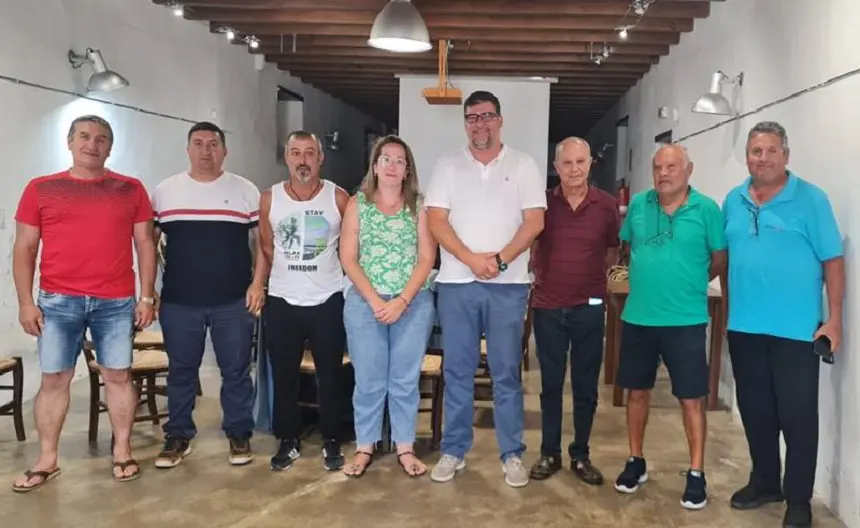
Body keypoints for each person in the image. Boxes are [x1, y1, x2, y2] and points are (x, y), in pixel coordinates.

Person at [11, 115, 156, 491]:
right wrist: (26, 302)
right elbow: (25, 248)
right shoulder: (41, 189)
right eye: (85, 137)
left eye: (101, 139)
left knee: (118, 376)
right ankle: (47, 460)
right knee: (55, 378)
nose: (92, 144)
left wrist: (146, 295)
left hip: (115, 301)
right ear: (70, 141)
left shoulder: (130, 189)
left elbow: (145, 244)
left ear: (111, 147)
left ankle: (122, 451)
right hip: (58, 301)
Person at [723, 122, 844, 528]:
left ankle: (798, 500)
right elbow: (726, 259)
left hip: (796, 331)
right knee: (755, 412)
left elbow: (833, 261)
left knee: (797, 417)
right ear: (747, 157)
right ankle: (764, 482)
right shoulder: (734, 200)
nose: (763, 158)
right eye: (756, 151)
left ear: (786, 155)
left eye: (771, 150)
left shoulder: (811, 200)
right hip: (745, 328)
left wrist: (835, 320)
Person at [425, 90, 546, 488]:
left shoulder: (523, 165)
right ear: (466, 123)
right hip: (457, 285)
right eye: (472, 118)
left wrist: (499, 261)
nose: (480, 124)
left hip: (507, 287)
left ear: (500, 120)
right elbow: (437, 222)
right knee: (457, 371)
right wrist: (471, 258)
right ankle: (454, 450)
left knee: (505, 372)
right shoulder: (446, 165)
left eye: (487, 116)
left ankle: (512, 454)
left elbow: (534, 223)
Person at [613, 144, 726, 510]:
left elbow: (719, 258)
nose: (664, 173)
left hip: (686, 320)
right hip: (639, 318)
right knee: (637, 393)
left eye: (672, 166)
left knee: (692, 398)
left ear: (688, 169)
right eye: (658, 166)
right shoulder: (640, 206)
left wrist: (692, 282)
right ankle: (636, 460)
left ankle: (696, 472)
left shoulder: (706, 209)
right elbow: (627, 249)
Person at [150, 122, 266, 469]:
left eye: (213, 144)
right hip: (179, 300)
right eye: (198, 144)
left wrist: (257, 283)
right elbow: (147, 242)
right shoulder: (166, 191)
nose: (205, 151)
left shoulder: (245, 190)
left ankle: (239, 432)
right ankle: (178, 435)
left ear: (224, 150)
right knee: (182, 371)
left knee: (236, 371)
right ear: (188, 150)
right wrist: (148, 290)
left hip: (233, 299)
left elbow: (263, 243)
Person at [339, 135, 437, 478]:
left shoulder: (420, 206)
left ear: (407, 168)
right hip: (367, 304)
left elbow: (427, 258)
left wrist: (402, 300)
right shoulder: (357, 204)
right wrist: (377, 301)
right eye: (386, 159)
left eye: (399, 160)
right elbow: (348, 259)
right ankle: (365, 445)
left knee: (404, 380)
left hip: (412, 303)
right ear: (375, 165)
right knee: (368, 379)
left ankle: (404, 446)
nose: (393, 166)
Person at [528, 137, 620, 485]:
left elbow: (610, 252)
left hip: (590, 306)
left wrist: (590, 284)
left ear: (590, 164)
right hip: (549, 306)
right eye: (567, 163)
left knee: (585, 386)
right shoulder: (542, 205)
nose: (575, 169)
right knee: (550, 385)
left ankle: (580, 455)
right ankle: (549, 452)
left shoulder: (607, 205)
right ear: (556, 168)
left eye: (581, 162)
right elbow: (533, 244)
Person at [259, 130, 350, 472]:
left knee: (331, 374)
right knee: (284, 375)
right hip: (283, 299)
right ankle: (288, 439)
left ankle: (331, 440)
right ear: (287, 158)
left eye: (309, 153)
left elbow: (350, 248)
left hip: (328, 298)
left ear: (320, 159)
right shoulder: (270, 199)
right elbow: (266, 249)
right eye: (296, 153)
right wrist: (259, 285)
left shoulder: (339, 198)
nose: (302, 160)